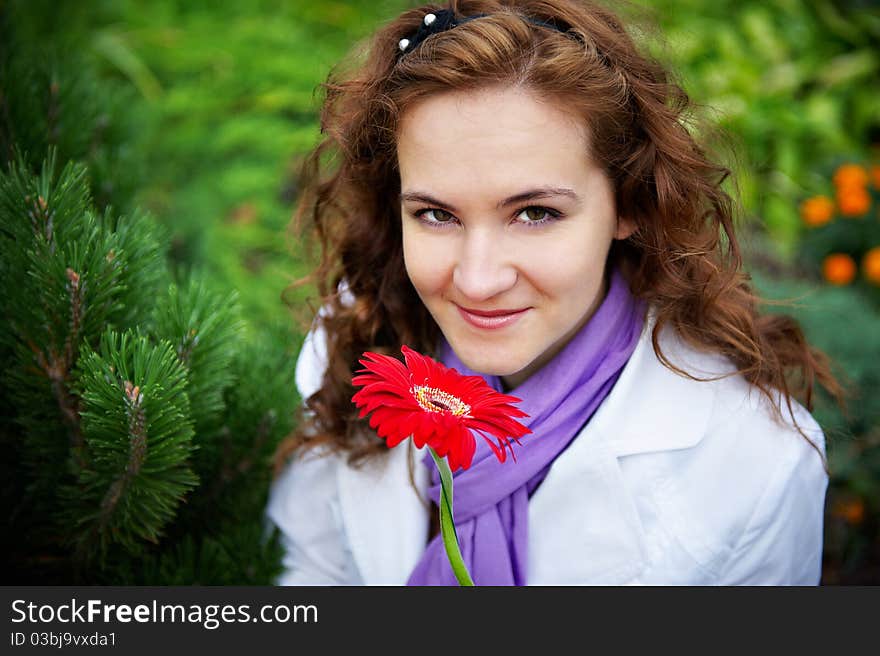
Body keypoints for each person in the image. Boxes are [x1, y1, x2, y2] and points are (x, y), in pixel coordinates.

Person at [265, 0, 845, 585]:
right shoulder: (353, 343)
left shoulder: (757, 466)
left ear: (630, 203)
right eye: (437, 214)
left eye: (535, 213)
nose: (478, 280)